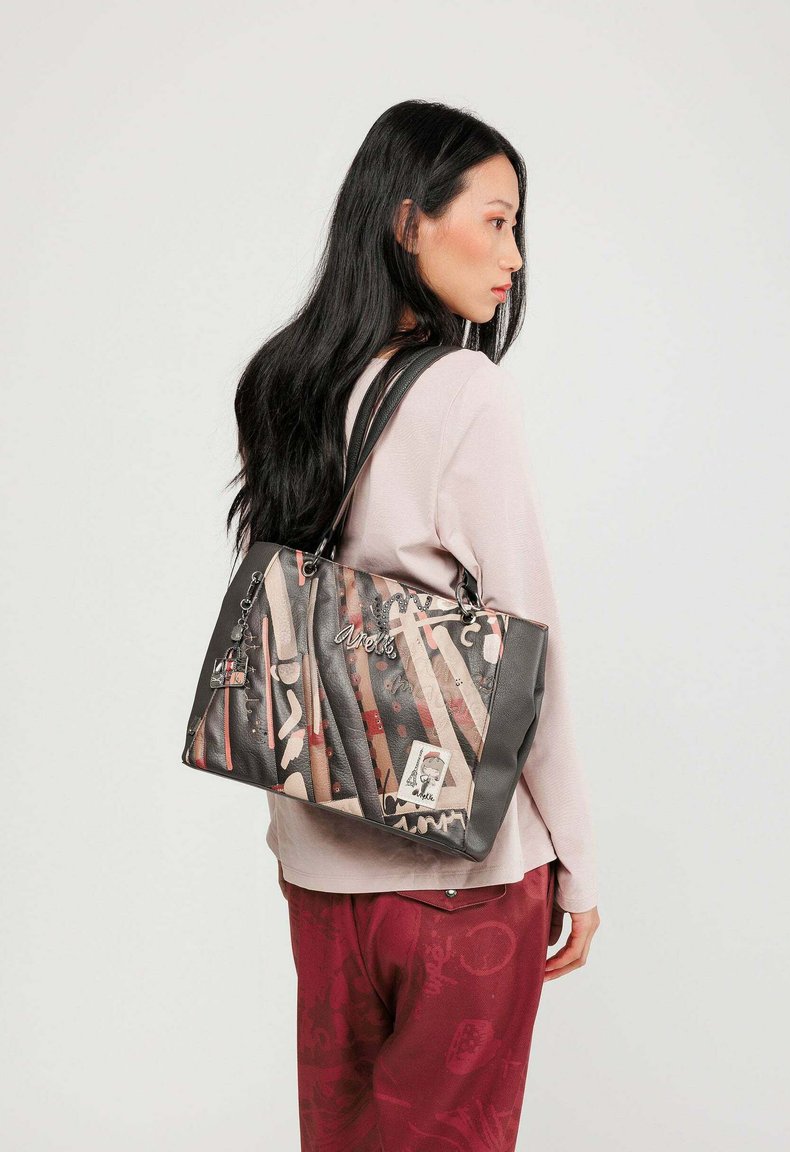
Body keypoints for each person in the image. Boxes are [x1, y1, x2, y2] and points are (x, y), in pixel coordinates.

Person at [229, 98, 600, 1152]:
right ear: (407, 222)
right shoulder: (464, 390)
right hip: (459, 881)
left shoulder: (285, 380)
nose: (514, 257)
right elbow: (527, 644)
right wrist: (575, 858)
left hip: (317, 871)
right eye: (495, 221)